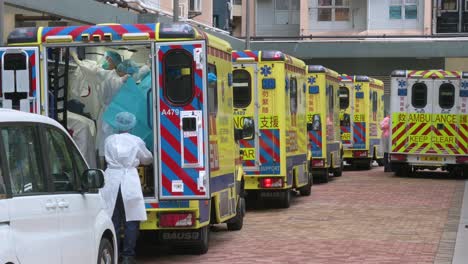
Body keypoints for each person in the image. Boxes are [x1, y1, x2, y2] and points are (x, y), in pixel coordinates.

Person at [99, 112, 153, 264]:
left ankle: (113, 253)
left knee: (113, 219)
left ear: (117, 124)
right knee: (131, 220)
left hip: (111, 180)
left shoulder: (109, 140)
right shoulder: (136, 141)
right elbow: (147, 158)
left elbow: (104, 156)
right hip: (129, 181)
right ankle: (128, 256)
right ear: (132, 125)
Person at [71, 50, 127, 167]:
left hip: (108, 115)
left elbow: (92, 70)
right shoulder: (113, 75)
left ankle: (105, 167)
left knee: (105, 142)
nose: (105, 61)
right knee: (108, 141)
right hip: (112, 114)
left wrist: (76, 59)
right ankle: (108, 166)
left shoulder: (108, 75)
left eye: (107, 59)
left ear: (111, 61)